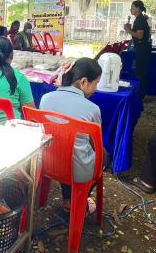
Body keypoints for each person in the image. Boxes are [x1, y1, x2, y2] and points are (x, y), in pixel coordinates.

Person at [39, 58, 102, 210]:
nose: (96, 88)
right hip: (77, 172)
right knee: (104, 155)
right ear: (84, 82)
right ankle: (80, 198)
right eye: (96, 83)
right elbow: (96, 146)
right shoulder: (92, 108)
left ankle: (68, 198)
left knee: (64, 148)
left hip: (47, 163)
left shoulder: (45, 99)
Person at [124, 0, 151, 99]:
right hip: (142, 47)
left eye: (132, 7)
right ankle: (141, 93)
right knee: (141, 70)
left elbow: (140, 36)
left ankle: (141, 94)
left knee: (141, 71)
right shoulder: (140, 18)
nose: (130, 9)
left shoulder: (140, 19)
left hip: (142, 48)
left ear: (138, 8)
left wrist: (128, 30)